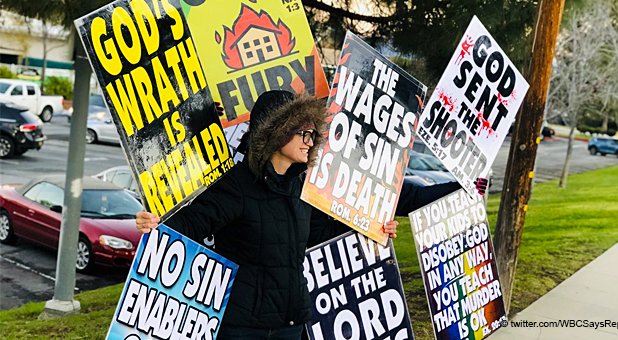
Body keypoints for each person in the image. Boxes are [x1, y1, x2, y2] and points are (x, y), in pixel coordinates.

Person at [136, 90, 485, 339]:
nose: (310, 140)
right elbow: (189, 226)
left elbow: (319, 234)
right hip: (243, 328)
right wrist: (155, 224)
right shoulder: (237, 186)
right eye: (301, 131)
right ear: (274, 134)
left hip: (294, 323)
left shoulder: (304, 188)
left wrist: (370, 228)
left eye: (311, 132)